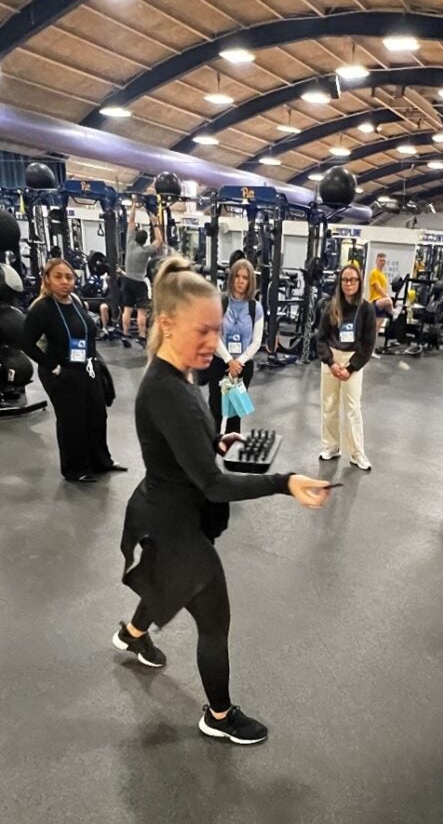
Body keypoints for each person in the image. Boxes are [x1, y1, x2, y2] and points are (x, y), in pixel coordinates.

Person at [112, 256, 331, 745]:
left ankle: (131, 634)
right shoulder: (166, 389)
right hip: (174, 524)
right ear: (167, 325)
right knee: (214, 621)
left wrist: (214, 443)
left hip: (165, 508)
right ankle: (219, 714)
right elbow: (213, 485)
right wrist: (285, 481)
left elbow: (185, 447)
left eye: (216, 330)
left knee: (166, 586)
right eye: (203, 331)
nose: (213, 342)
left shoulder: (182, 374)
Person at [20, 257, 125, 483]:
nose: (65, 282)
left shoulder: (76, 301)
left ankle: (101, 461)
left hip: (87, 369)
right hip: (62, 373)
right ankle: (76, 469)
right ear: (47, 280)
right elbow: (26, 342)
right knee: (72, 421)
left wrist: (95, 364)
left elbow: (87, 334)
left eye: (69, 277)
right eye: (58, 277)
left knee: (97, 416)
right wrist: (51, 365)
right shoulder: (42, 309)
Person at [316, 262, 376, 471]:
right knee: (329, 406)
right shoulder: (332, 306)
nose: (349, 283)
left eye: (353, 280)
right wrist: (331, 363)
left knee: (352, 408)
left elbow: (368, 345)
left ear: (359, 282)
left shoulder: (367, 309)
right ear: (340, 283)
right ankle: (331, 447)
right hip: (332, 358)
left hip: (353, 360)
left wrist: (350, 368)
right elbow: (321, 338)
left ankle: (357, 453)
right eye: (345, 280)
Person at [206, 258, 263, 434]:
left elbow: (256, 341)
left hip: (242, 367)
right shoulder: (220, 303)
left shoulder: (256, 308)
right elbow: (214, 335)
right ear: (231, 279)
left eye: (245, 278)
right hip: (219, 362)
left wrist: (239, 362)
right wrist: (229, 360)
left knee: (234, 413)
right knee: (215, 409)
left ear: (250, 281)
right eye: (237, 276)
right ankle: (211, 451)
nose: (240, 281)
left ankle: (232, 452)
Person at [123, 200, 163, 347]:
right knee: (141, 312)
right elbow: (159, 241)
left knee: (127, 309)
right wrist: (155, 223)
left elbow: (131, 220)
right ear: (145, 240)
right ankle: (141, 336)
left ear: (135, 237)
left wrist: (134, 205)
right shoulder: (146, 251)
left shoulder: (130, 243)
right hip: (139, 283)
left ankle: (125, 335)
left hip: (127, 280)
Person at [368, 252, 395, 345]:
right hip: (376, 301)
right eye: (380, 260)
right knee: (388, 300)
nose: (382, 262)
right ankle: (393, 313)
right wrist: (387, 296)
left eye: (384, 261)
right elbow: (377, 287)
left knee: (377, 329)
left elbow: (384, 288)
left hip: (382, 304)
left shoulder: (383, 275)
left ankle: (371, 351)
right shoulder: (374, 273)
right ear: (376, 261)